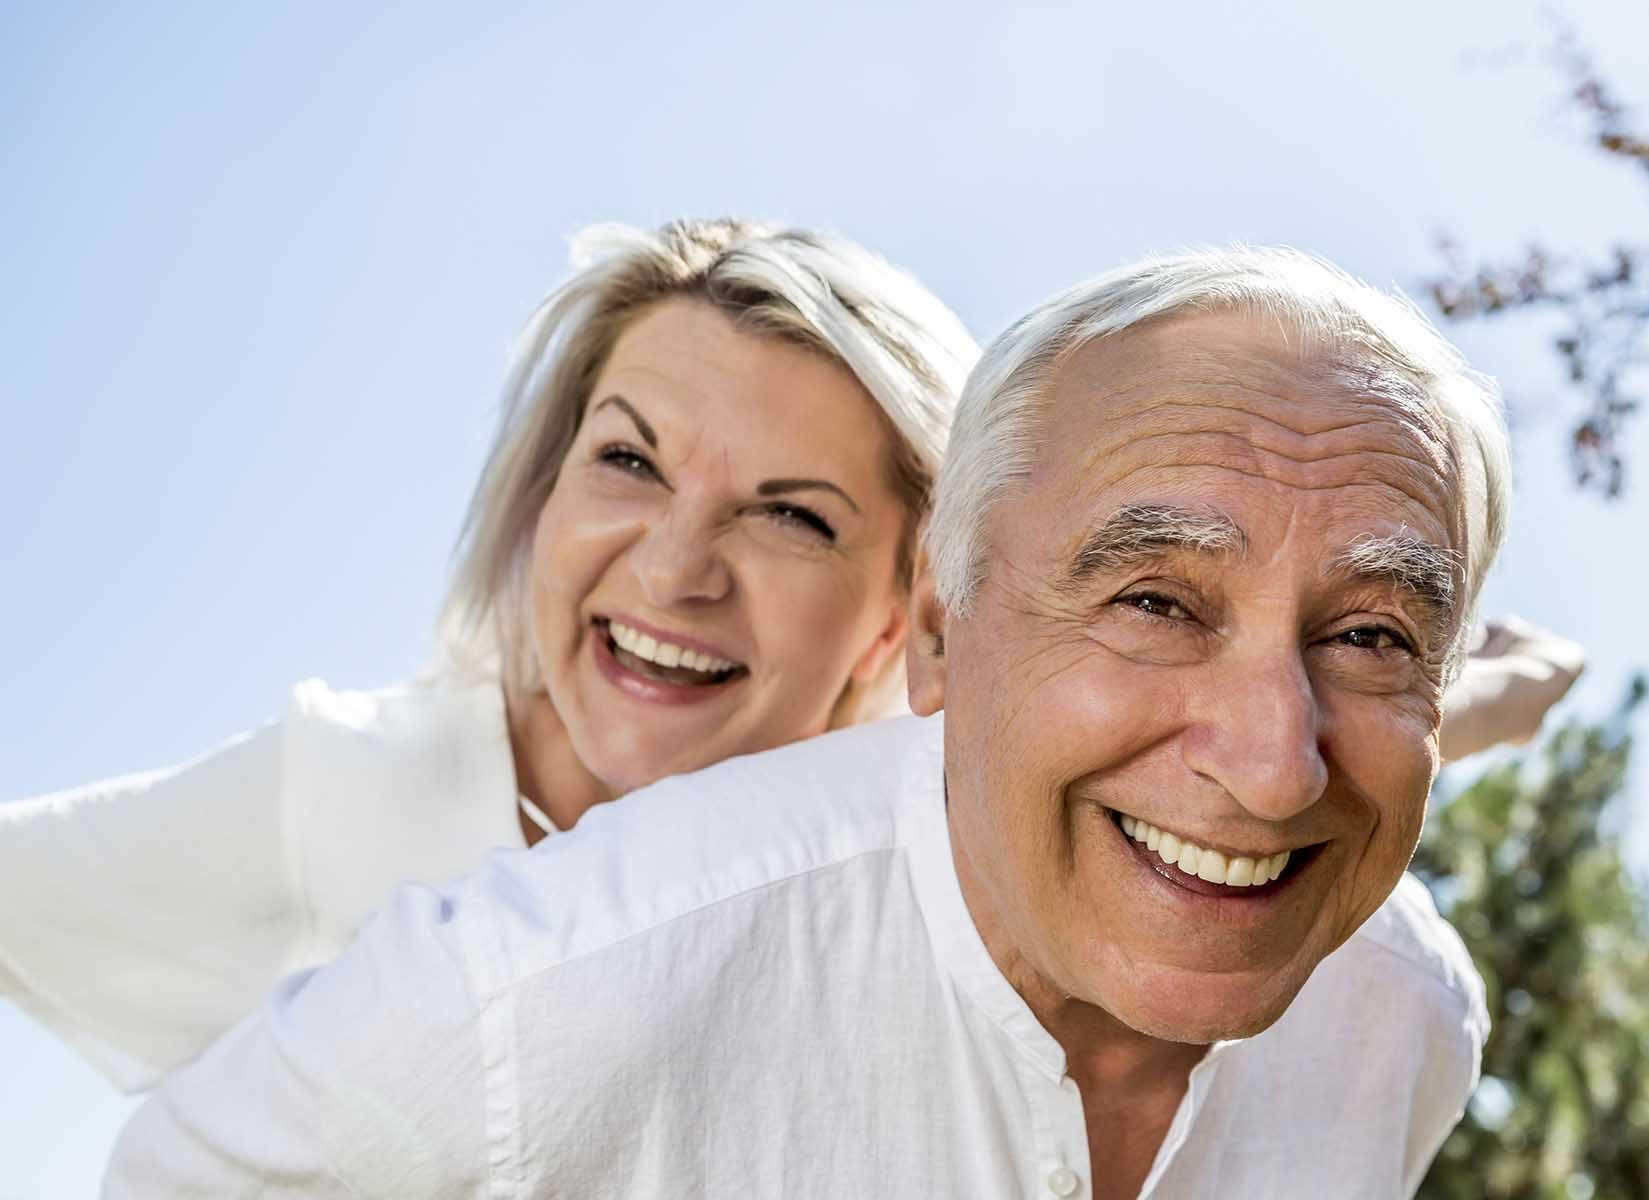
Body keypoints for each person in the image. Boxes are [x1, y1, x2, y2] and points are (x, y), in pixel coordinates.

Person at [107, 245, 1529, 1197]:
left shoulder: (1403, 1024)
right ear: (941, 631)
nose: (1276, 768)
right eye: (1155, 601)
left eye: (1370, 635)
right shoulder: (544, 987)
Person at [0, 217, 980, 1092]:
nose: (673, 573)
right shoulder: (352, 790)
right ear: (545, 488)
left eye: (791, 516)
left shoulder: (915, 917)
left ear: (904, 615)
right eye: (629, 461)